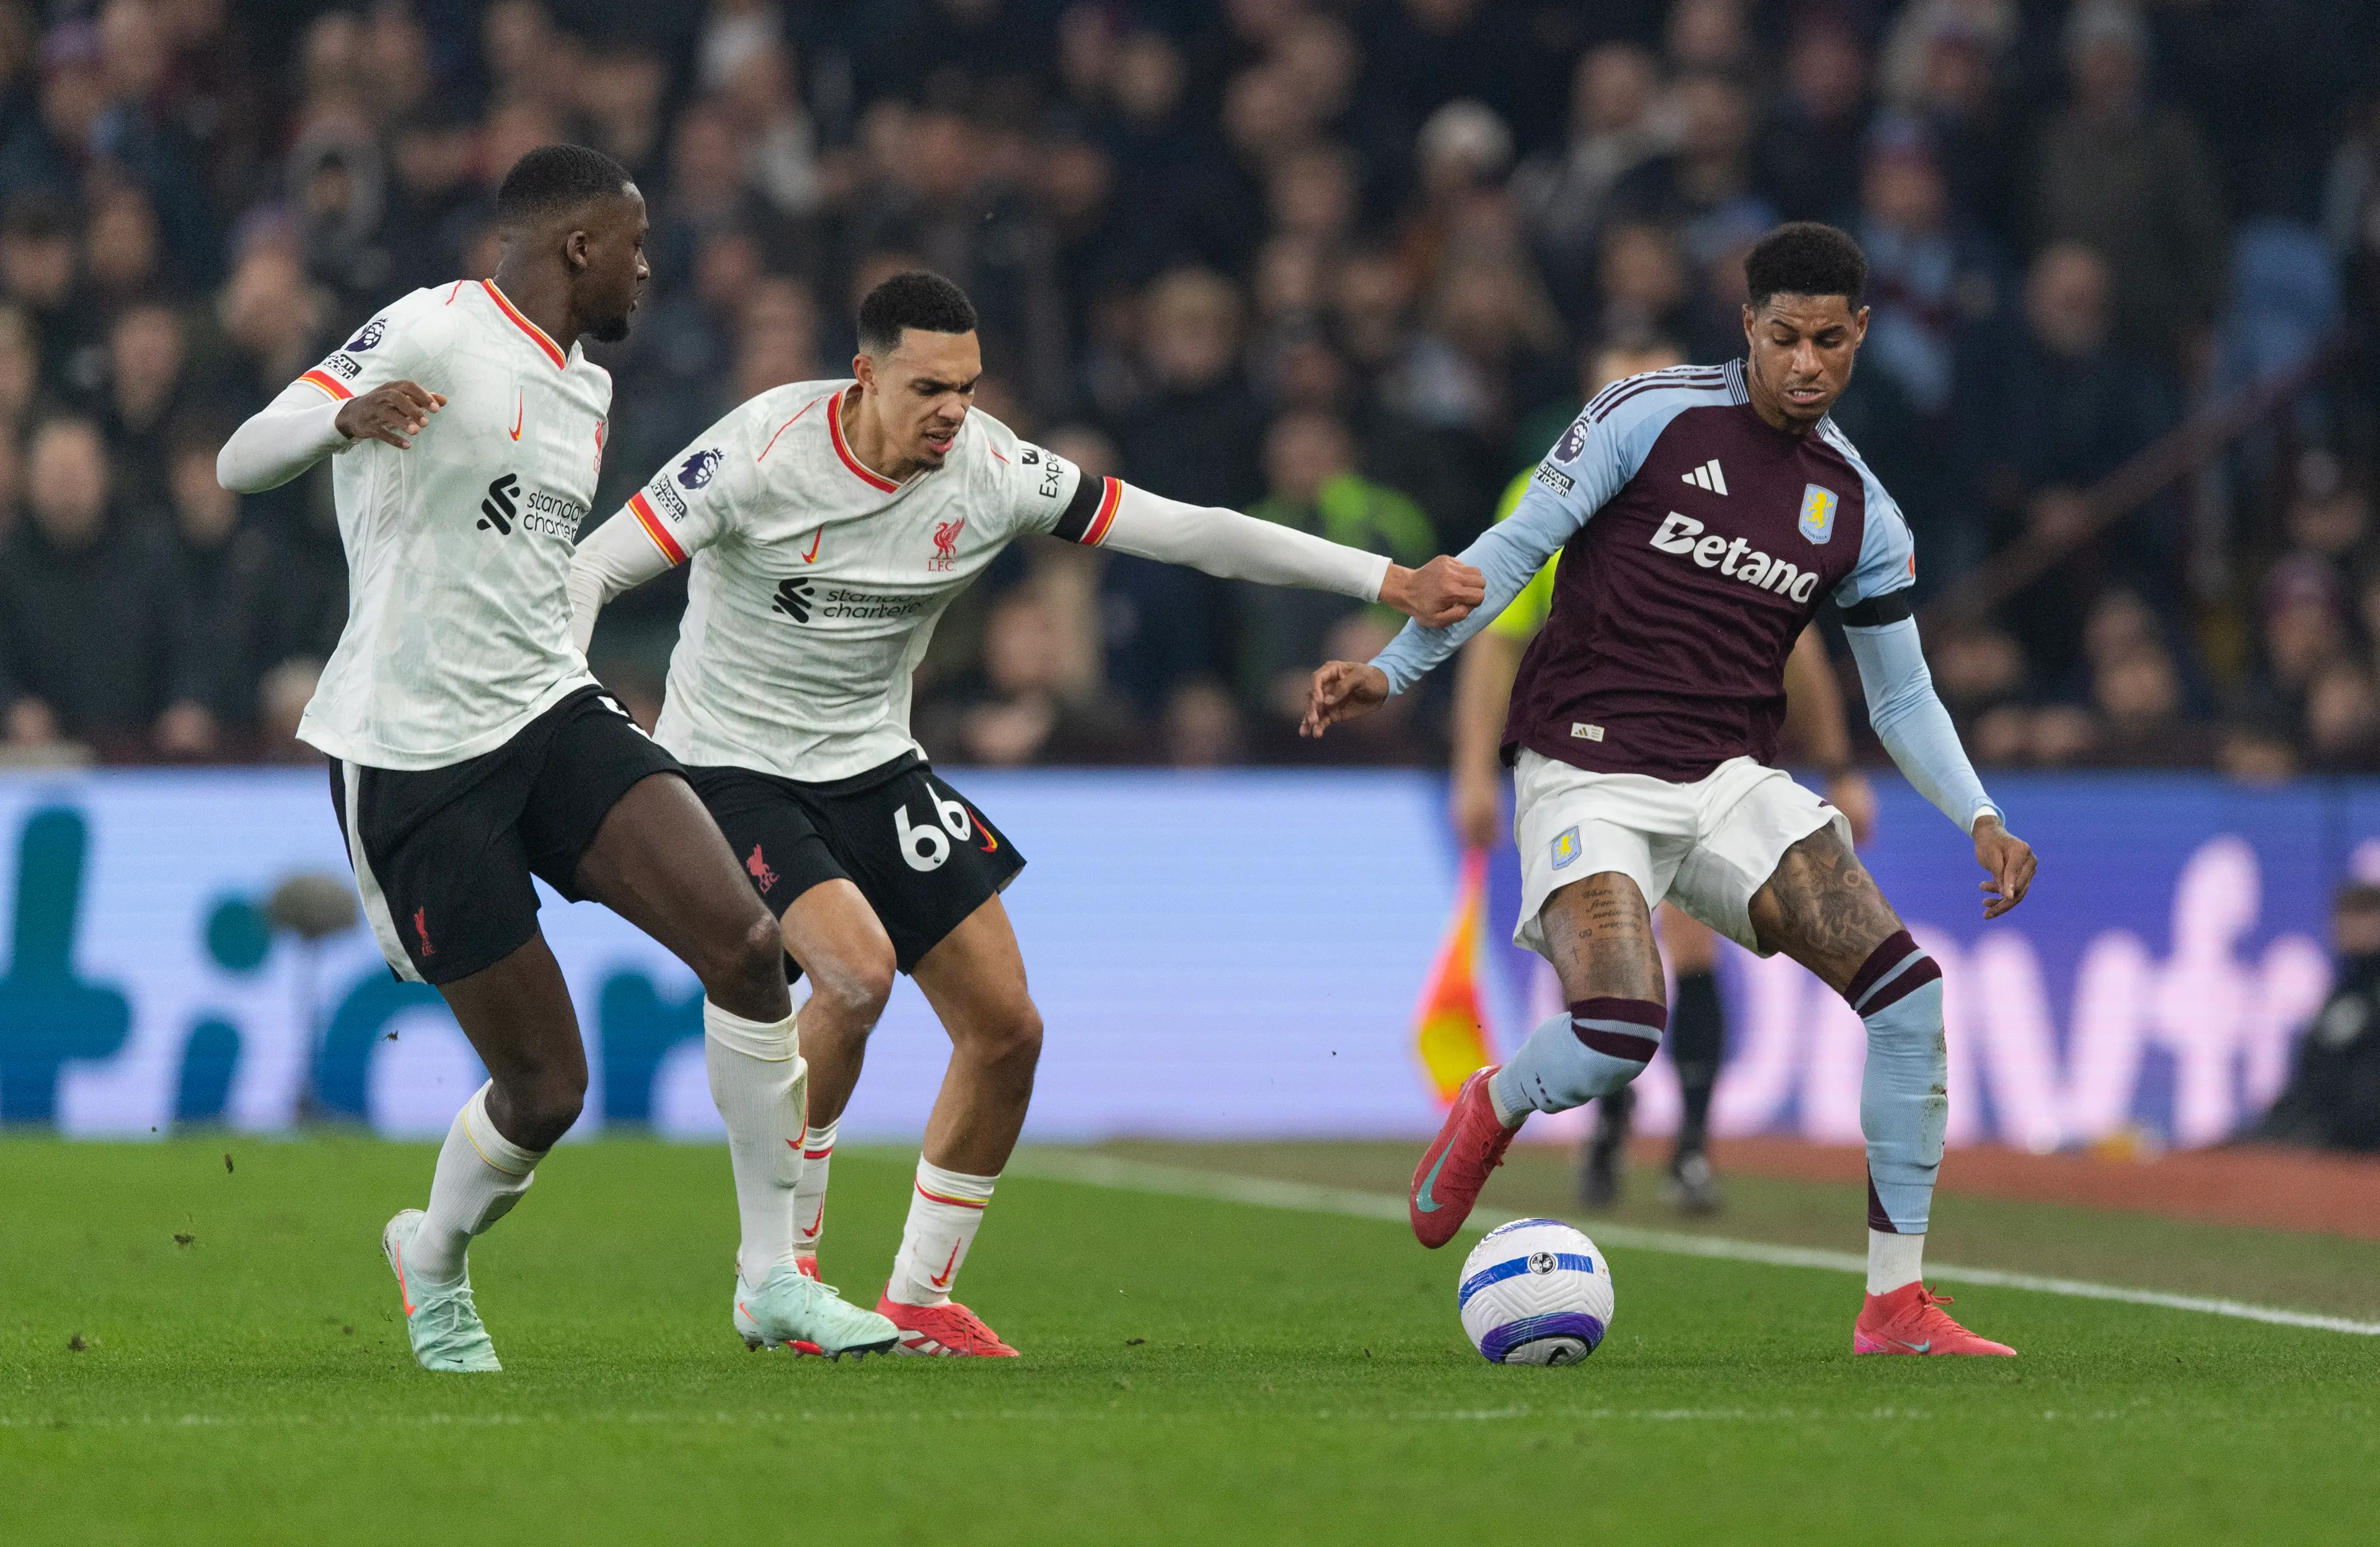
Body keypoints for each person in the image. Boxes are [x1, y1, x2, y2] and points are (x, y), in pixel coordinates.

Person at [568, 271, 1484, 1357]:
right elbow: (589, 572)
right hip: (729, 765)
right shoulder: (760, 452)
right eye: (928, 388)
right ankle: (782, 1271)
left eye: (968, 385)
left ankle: (916, 1297)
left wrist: (1390, 582)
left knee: (1008, 1030)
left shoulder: (994, 470)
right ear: (863, 378)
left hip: (875, 764)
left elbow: (1190, 532)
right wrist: (577, 727)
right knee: (853, 976)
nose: (953, 410)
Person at [216, 145, 900, 1373]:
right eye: (635, 246)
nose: (649, 268)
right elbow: (241, 456)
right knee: (546, 1092)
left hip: (547, 708)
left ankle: (771, 1282)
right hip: (414, 752)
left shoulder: (584, 389)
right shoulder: (433, 329)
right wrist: (343, 415)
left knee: (750, 945)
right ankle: (432, 1261)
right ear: (578, 246)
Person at [1305, 223, 2037, 1357]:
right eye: (1784, 336)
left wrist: (1982, 814)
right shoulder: (1647, 415)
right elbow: (1509, 555)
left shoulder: (1859, 509)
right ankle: (1496, 1103)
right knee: (1615, 1031)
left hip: (1733, 781)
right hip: (1584, 764)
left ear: (1861, 339)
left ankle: (1895, 1306)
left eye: (1830, 341)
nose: (1805, 362)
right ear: (1746, 327)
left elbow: (1900, 698)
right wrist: (1392, 670)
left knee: (1910, 998)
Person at [1449, 343, 1879, 1216]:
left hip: (1707, 751)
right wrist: (1473, 772)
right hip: (1590, 752)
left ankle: (1689, 1146)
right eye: (1615, 385)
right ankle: (1611, 1127)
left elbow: (1798, 649)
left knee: (1688, 946)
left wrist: (1840, 767)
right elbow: (1493, 635)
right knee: (1612, 964)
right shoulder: (1555, 485)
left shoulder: (1743, 488)